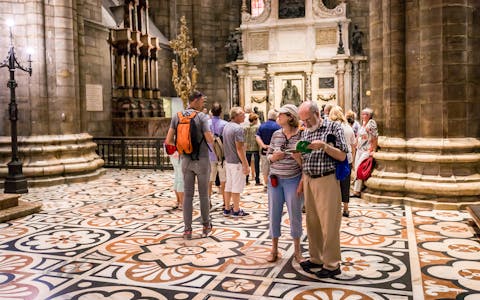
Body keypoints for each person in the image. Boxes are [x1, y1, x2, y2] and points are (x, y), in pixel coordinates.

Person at [298, 101, 348, 279]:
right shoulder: (305, 131)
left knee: (329, 223)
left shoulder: (333, 127)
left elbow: (343, 154)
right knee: (313, 223)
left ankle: (332, 264)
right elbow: (304, 157)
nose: (305, 123)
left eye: (307, 119)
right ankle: (316, 258)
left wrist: (325, 146)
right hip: (309, 179)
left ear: (317, 114)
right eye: (302, 120)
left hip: (327, 179)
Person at [165, 91, 214, 239]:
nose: (203, 104)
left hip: (185, 160)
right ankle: (206, 225)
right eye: (202, 101)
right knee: (204, 195)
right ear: (196, 101)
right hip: (202, 160)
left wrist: (182, 147)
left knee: (188, 195)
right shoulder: (202, 117)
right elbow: (209, 139)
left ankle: (187, 229)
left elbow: (168, 140)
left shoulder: (177, 116)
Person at [266, 104, 304, 263]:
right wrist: (274, 158)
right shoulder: (276, 134)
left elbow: (306, 164)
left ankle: (297, 250)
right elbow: (268, 155)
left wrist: (297, 158)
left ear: (290, 117)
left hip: (293, 180)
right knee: (274, 214)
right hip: (275, 180)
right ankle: (274, 249)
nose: (277, 117)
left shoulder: (301, 136)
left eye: (281, 114)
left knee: (295, 215)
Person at [329, 106, 356, 217]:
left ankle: (334, 208)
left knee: (333, 184)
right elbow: (353, 145)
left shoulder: (330, 127)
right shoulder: (349, 128)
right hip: (347, 158)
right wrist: (352, 160)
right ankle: (345, 208)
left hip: (334, 157)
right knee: (345, 184)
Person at [223, 107, 250, 217]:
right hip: (236, 162)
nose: (244, 116)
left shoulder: (226, 126)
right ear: (236, 116)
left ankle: (227, 208)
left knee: (228, 185)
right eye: (242, 114)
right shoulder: (238, 129)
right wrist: (245, 164)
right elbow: (239, 148)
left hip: (228, 161)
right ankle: (236, 210)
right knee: (236, 186)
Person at [353, 107, 378, 197]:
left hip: (366, 150)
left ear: (369, 115)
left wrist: (373, 149)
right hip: (359, 149)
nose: (363, 116)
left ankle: (357, 190)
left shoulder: (371, 124)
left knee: (359, 168)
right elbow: (359, 136)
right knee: (356, 168)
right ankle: (357, 189)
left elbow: (374, 137)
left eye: (365, 114)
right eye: (362, 114)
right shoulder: (363, 124)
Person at [208, 102, 228, 207]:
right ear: (221, 112)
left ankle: (208, 201)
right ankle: (225, 202)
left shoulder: (206, 123)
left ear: (211, 111)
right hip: (222, 156)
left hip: (209, 155)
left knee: (209, 181)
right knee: (224, 181)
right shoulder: (225, 124)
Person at [256, 109, 281, 189]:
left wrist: (263, 145)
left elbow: (257, 137)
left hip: (264, 150)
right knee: (275, 168)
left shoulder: (262, 125)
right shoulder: (278, 126)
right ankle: (274, 184)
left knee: (265, 168)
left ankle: (266, 184)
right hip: (275, 151)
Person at [245, 113, 261, 185]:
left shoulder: (246, 128)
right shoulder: (257, 128)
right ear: (254, 120)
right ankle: (257, 180)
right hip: (255, 148)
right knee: (256, 165)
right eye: (256, 119)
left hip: (247, 148)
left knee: (247, 164)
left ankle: (246, 179)